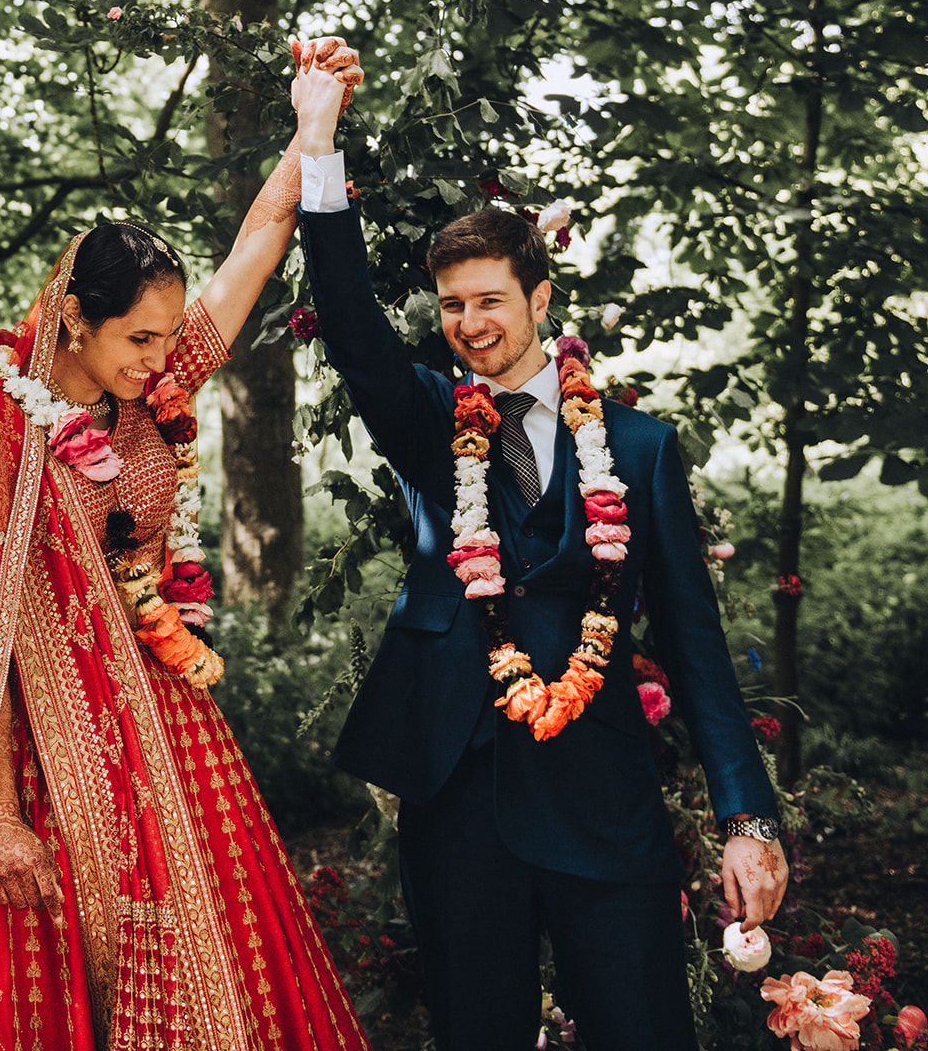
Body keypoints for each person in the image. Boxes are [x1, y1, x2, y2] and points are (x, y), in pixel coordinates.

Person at [0, 41, 371, 1051]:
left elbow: (258, 241)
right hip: (35, 755)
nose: (164, 358)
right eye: (140, 339)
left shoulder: (149, 399)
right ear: (73, 315)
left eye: (168, 338)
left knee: (207, 979)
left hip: (165, 735)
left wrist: (311, 122)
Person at [293, 61, 789, 1051]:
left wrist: (749, 819)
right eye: (449, 306)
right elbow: (349, 326)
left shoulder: (639, 450)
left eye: (486, 299)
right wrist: (317, 140)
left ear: (538, 295)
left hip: (599, 789)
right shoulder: (432, 421)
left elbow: (692, 640)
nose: (467, 324)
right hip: (458, 789)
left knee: (643, 1027)